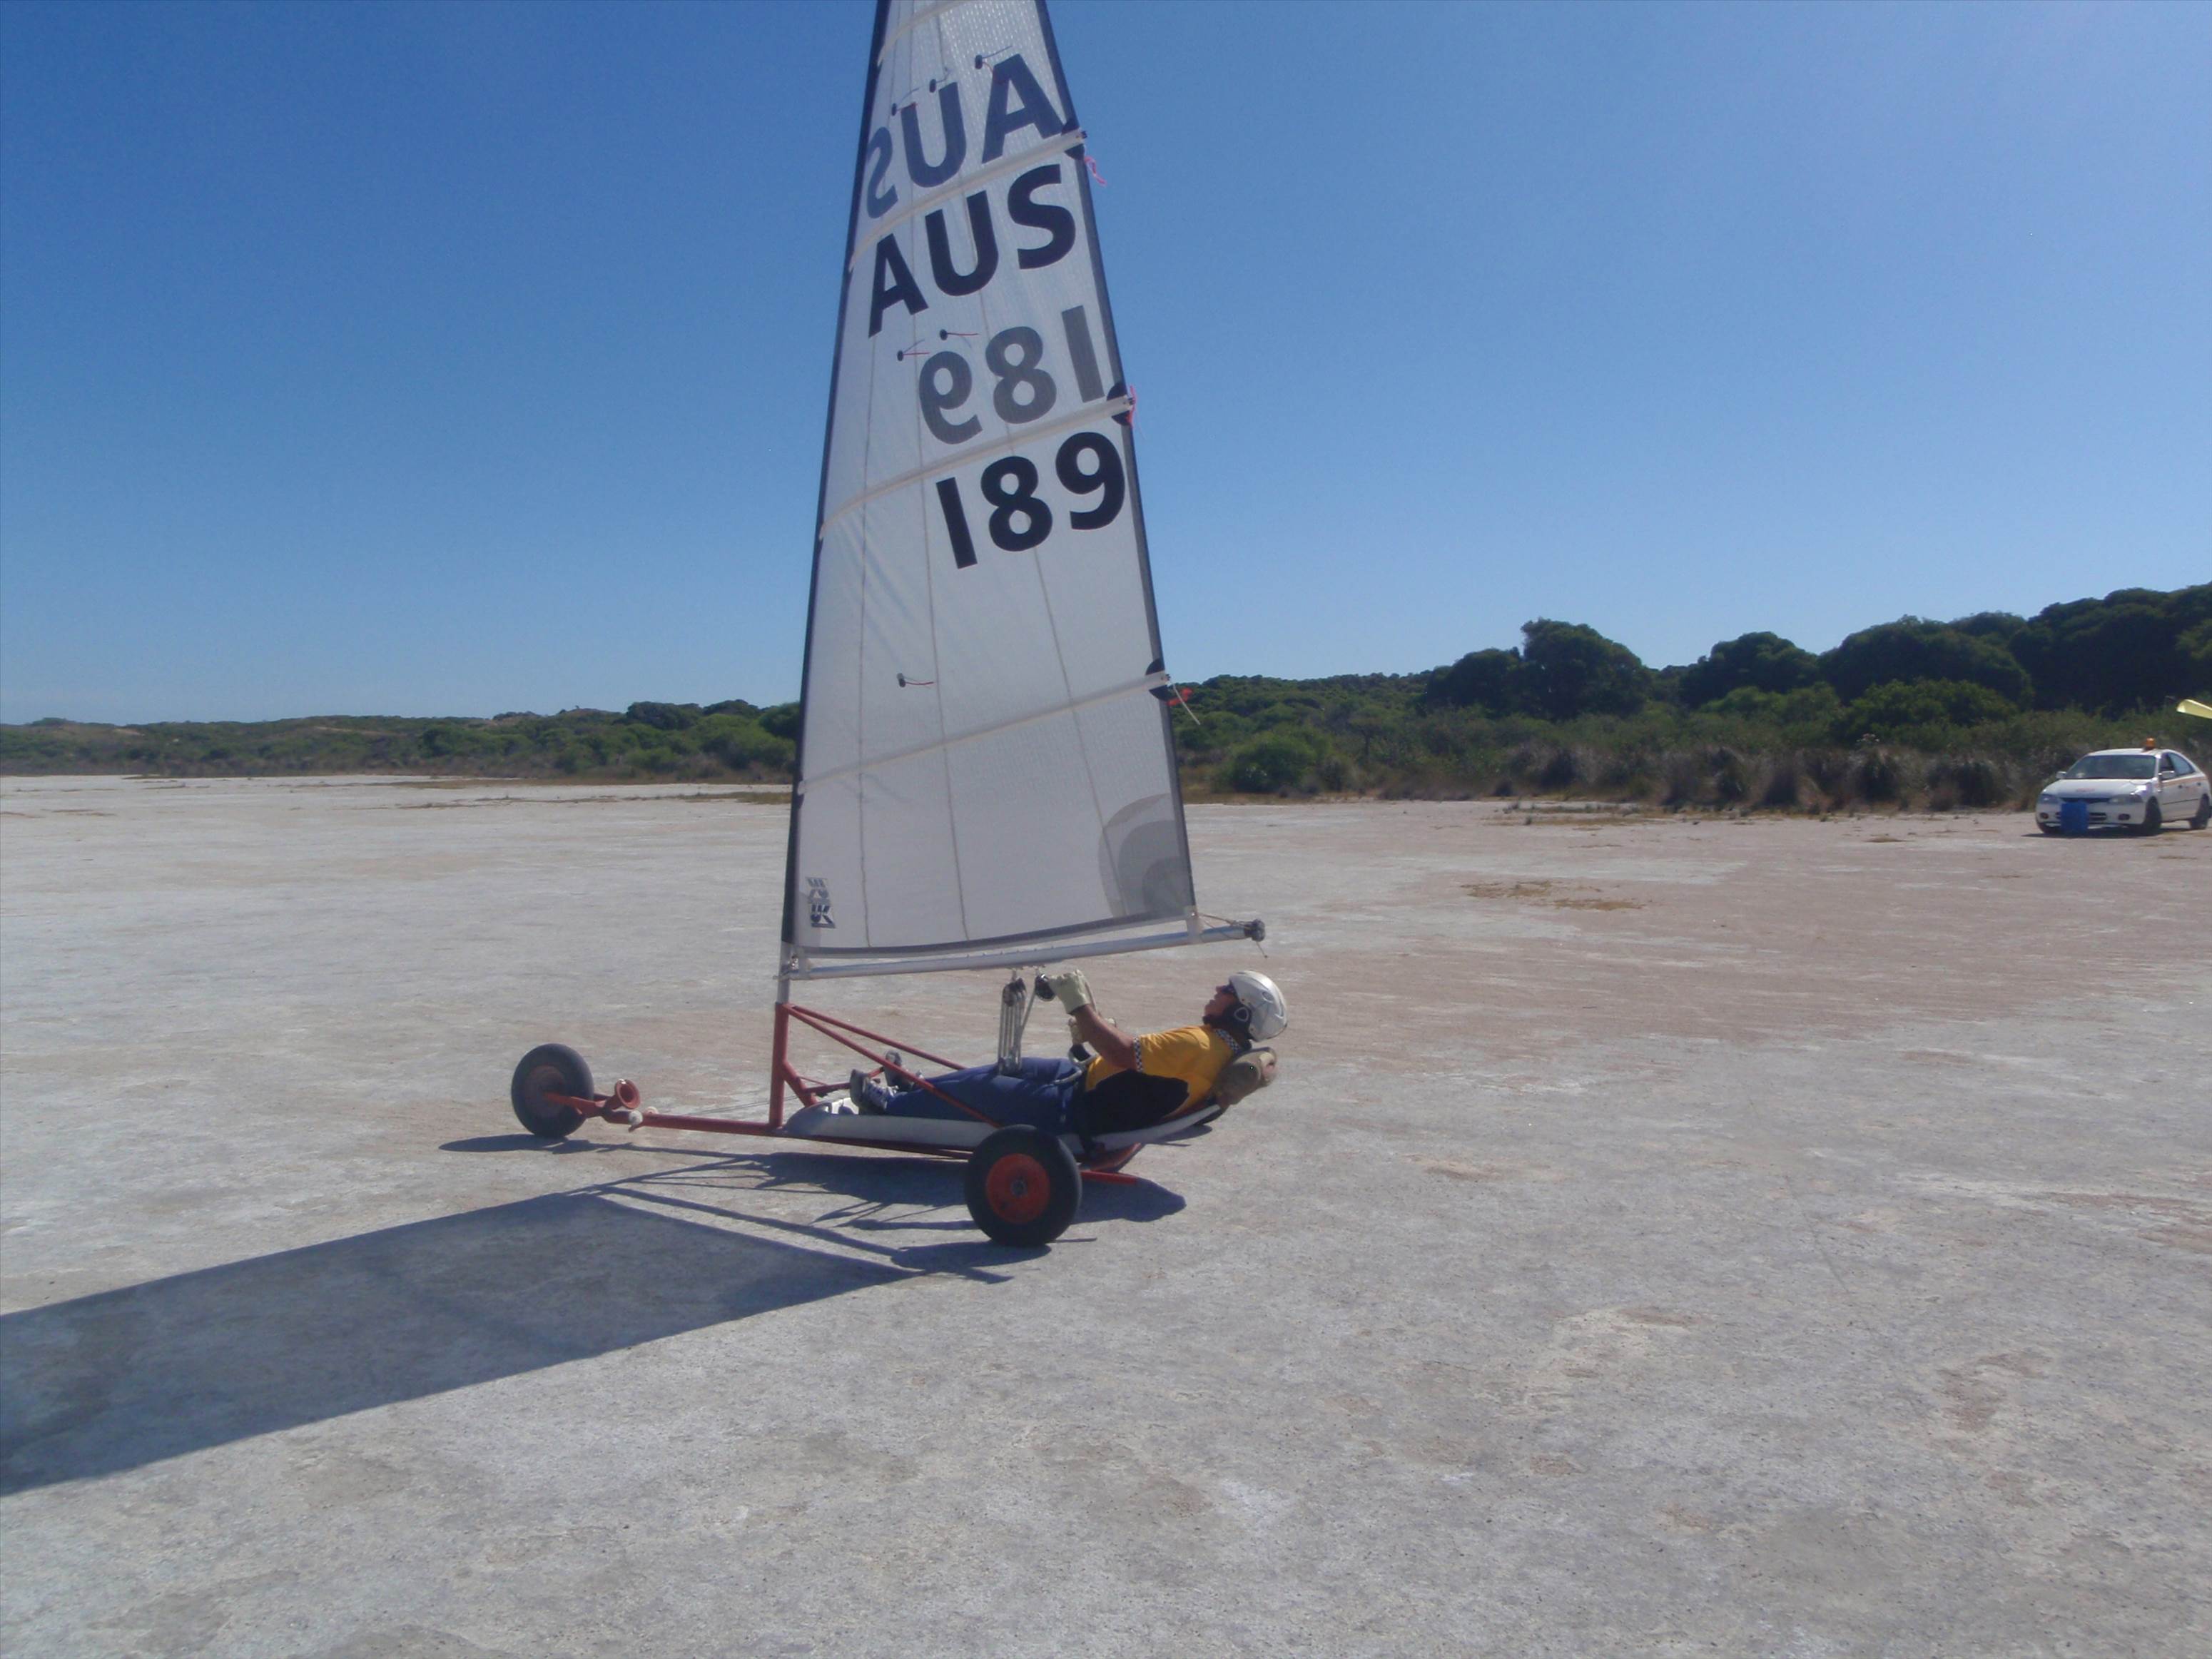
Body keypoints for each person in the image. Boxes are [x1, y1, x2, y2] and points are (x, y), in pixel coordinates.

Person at [848, 969, 1288, 1140]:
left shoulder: (1200, 1045)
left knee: (984, 1087)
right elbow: (1139, 1059)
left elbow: (1121, 1051)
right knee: (1004, 1069)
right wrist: (1092, 1029)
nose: (1216, 989)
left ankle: (890, 1106)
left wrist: (1079, 1004)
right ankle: (917, 1089)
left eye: (1226, 990)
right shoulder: (1216, 1049)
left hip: (1072, 1110)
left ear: (1241, 1010)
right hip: (1083, 1081)